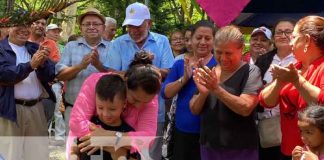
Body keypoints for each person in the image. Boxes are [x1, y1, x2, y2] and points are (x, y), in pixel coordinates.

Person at [105, 2, 174, 159]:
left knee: (150, 154)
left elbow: (168, 71)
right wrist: (145, 73)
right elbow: (112, 73)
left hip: (154, 110)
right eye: (130, 26)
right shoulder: (118, 43)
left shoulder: (162, 41)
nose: (133, 31)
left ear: (149, 23)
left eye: (138, 26)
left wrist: (141, 73)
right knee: (121, 152)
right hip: (122, 111)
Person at [68, 51, 161, 160]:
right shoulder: (96, 82)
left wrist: (107, 137)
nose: (140, 106)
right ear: (125, 83)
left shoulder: (149, 96)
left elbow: (147, 138)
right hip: (86, 147)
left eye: (145, 102)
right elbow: (76, 121)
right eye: (135, 100)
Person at [190, 25, 263, 160]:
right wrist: (203, 94)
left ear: (241, 49)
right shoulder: (209, 71)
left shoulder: (251, 72)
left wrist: (216, 89)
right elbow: (194, 110)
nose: (223, 58)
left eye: (228, 53)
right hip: (209, 146)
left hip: (241, 149)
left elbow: (245, 108)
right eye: (218, 52)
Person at [259, 15, 324, 160]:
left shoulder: (321, 67)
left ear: (306, 40)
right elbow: (265, 101)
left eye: (294, 37)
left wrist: (297, 81)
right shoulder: (296, 67)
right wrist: (279, 81)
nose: (291, 42)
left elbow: (321, 104)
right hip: (289, 150)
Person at [161, 20, 217, 160]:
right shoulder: (181, 64)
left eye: (208, 38)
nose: (203, 42)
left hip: (212, 133)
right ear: (190, 40)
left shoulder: (219, 65)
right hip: (183, 131)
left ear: (214, 41)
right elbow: (165, 93)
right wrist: (184, 79)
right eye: (198, 38)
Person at [0, 24, 56, 160]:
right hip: (10, 110)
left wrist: (43, 64)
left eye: (27, 26)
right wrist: (31, 65)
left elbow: (50, 75)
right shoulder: (1, 49)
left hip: (36, 108)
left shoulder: (34, 48)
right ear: (7, 28)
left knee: (38, 154)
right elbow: (4, 75)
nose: (23, 29)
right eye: (18, 25)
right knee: (10, 154)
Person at [56, 8, 110, 134]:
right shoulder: (71, 46)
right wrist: (80, 66)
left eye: (96, 24)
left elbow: (118, 78)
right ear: (81, 28)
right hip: (74, 109)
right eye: (87, 24)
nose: (91, 27)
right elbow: (60, 76)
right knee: (73, 150)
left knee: (101, 151)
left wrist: (98, 65)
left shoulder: (112, 47)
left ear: (103, 28)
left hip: (105, 114)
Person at [254, 19, 296, 160]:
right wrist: (267, 88)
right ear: (273, 38)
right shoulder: (263, 60)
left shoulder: (302, 59)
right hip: (268, 125)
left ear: (295, 36)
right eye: (279, 32)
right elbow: (254, 89)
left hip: (294, 126)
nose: (283, 35)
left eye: (288, 32)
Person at [74, 74, 139, 160]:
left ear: (124, 104)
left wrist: (113, 148)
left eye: (112, 109)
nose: (105, 114)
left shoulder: (128, 133)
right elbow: (76, 149)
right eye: (100, 108)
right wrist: (74, 155)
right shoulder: (89, 125)